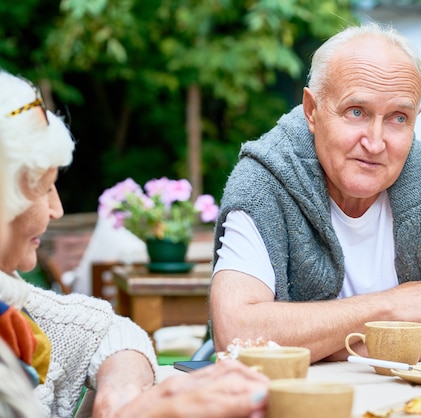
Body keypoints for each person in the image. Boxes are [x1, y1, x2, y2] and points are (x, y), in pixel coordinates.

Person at [210, 22, 421, 363]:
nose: (375, 142)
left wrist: (363, 349)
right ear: (312, 110)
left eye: (398, 118)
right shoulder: (265, 183)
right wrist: (389, 307)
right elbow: (236, 335)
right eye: (356, 112)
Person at [0, 70, 269, 418]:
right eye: (42, 187)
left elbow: (107, 331)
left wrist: (120, 393)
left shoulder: (14, 301)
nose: (57, 209)